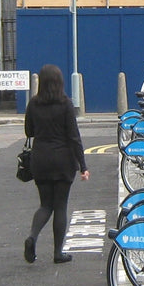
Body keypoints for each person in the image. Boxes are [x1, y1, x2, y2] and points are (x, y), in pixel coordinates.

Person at [24, 64, 90, 264]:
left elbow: (29, 132)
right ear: (60, 82)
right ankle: (57, 253)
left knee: (45, 205)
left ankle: (32, 237)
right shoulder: (65, 104)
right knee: (60, 206)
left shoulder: (33, 104)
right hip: (63, 160)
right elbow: (74, 137)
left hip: (40, 158)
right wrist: (83, 166)